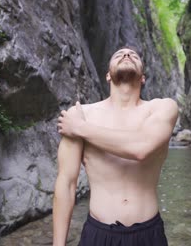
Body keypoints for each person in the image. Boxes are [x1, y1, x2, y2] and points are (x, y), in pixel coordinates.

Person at [52, 46, 179, 246]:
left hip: (149, 234)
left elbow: (141, 148)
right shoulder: (81, 114)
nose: (127, 55)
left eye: (133, 55)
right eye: (119, 55)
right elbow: (66, 183)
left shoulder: (162, 108)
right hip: (98, 234)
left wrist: (81, 128)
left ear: (143, 78)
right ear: (108, 76)